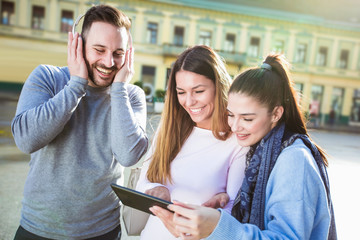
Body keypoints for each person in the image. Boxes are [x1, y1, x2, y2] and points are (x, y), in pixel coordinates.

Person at [151, 54, 337, 239]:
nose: (235, 126)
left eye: (247, 118)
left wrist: (217, 226)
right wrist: (227, 202)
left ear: (276, 114)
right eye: (231, 115)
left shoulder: (294, 161)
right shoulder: (261, 152)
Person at [11, 5, 148, 240]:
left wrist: (119, 90)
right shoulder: (47, 77)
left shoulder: (130, 95)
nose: (109, 62)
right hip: (39, 229)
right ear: (78, 45)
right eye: (99, 49)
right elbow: (26, 140)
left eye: (118, 53)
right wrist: (76, 85)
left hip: (102, 231)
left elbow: (128, 155)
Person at [135, 45, 248, 239]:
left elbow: (232, 212)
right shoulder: (169, 128)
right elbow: (142, 183)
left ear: (218, 86)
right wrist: (155, 190)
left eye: (198, 91)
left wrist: (213, 212)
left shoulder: (237, 141)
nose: (189, 101)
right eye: (181, 92)